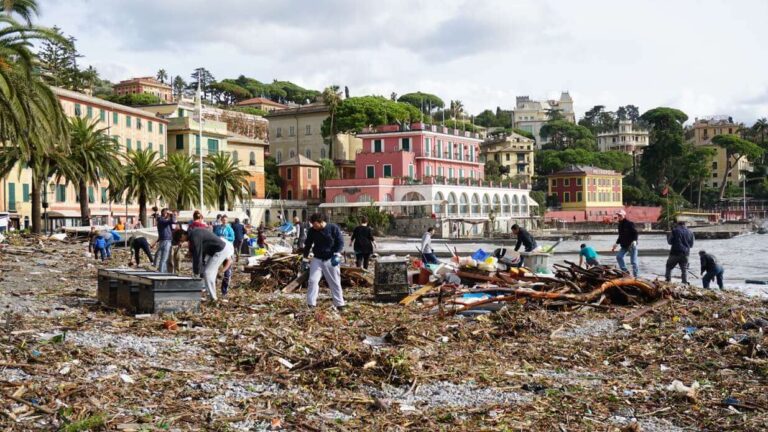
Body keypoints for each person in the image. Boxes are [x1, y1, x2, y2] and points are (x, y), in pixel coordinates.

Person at [173, 228, 233, 302]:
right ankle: (210, 296)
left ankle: (213, 299)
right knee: (209, 274)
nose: (181, 242)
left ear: (182, 235)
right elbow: (200, 252)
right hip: (215, 251)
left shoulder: (195, 236)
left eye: (180, 240)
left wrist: (196, 272)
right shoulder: (194, 234)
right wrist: (199, 269)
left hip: (220, 250)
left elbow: (197, 255)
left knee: (208, 273)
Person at [303, 213, 346, 310]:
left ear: (321, 222)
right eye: (312, 225)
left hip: (330, 259)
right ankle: (311, 304)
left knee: (334, 282)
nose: (313, 227)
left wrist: (337, 254)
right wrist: (305, 259)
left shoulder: (333, 228)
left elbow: (340, 242)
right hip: (317, 259)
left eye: (315, 225)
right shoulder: (312, 231)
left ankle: (340, 304)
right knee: (312, 281)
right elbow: (308, 245)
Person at [611, 210, 639, 277]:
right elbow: (620, 236)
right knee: (619, 257)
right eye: (618, 215)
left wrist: (635, 241)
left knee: (633, 262)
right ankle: (625, 272)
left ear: (624, 215)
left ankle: (636, 276)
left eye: (620, 215)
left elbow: (636, 233)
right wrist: (616, 244)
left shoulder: (629, 223)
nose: (619, 216)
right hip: (624, 246)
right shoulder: (620, 225)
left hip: (632, 245)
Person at [213, 215, 235, 296]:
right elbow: (214, 236)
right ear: (221, 220)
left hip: (228, 250)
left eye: (226, 220)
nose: (224, 221)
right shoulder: (218, 228)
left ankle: (224, 291)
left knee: (227, 272)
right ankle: (213, 289)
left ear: (227, 220)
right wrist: (218, 237)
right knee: (214, 270)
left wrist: (225, 237)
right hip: (219, 250)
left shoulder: (229, 228)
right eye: (223, 220)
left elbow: (232, 238)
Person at [154, 209, 176, 273]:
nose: (168, 214)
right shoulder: (161, 220)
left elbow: (173, 222)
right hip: (166, 240)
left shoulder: (162, 220)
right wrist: (171, 215)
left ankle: (162, 271)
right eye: (167, 212)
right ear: (164, 213)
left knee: (162, 257)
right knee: (164, 259)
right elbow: (172, 221)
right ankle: (162, 273)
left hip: (164, 240)